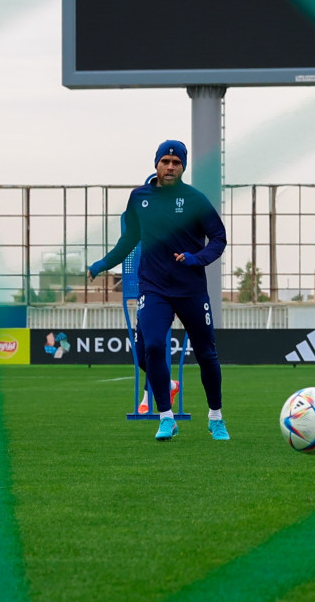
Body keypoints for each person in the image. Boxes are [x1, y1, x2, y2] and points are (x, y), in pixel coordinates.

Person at [88, 139, 229, 441]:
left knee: (206, 354)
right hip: (153, 288)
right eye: (165, 161)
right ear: (156, 164)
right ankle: (166, 417)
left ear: (183, 167)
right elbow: (130, 239)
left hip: (191, 289)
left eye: (176, 163)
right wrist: (103, 263)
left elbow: (218, 237)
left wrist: (196, 258)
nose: (170, 167)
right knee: (150, 349)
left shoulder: (195, 200)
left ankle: (215, 418)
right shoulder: (139, 197)